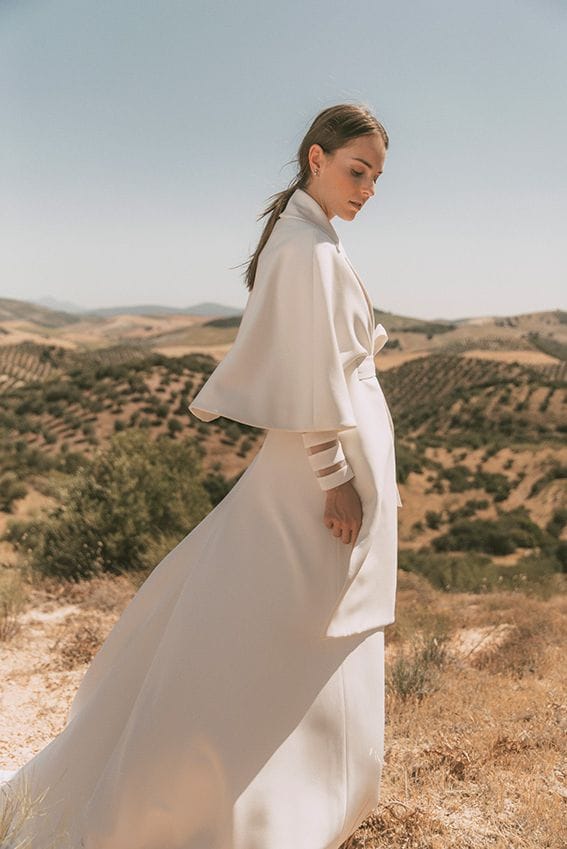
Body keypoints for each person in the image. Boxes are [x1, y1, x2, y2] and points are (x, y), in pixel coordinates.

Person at [0, 102, 402, 849]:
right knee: (274, 638)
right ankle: (240, 811)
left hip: (323, 476)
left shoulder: (311, 236)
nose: (367, 189)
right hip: (316, 485)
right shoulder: (305, 249)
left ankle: (265, 804)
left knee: (271, 632)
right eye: (357, 170)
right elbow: (305, 371)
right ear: (315, 158)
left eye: (376, 177)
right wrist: (334, 475)